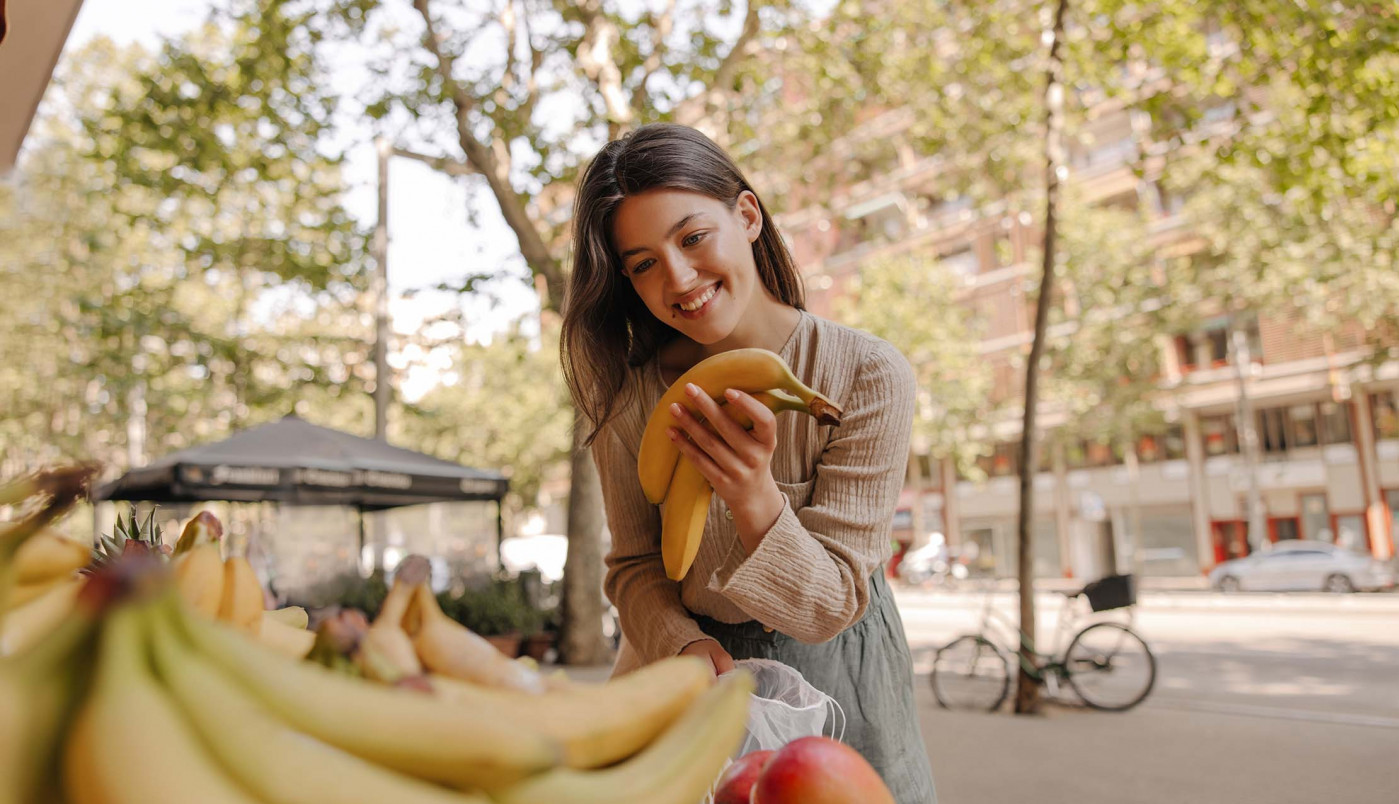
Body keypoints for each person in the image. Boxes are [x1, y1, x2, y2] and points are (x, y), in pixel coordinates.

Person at [560, 123, 937, 803]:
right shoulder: (629, 400)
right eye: (643, 263)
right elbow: (635, 567)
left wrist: (752, 495)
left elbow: (830, 607)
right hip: (697, 673)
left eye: (692, 237)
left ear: (746, 214)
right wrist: (679, 645)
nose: (677, 278)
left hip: (844, 669)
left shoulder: (867, 375)